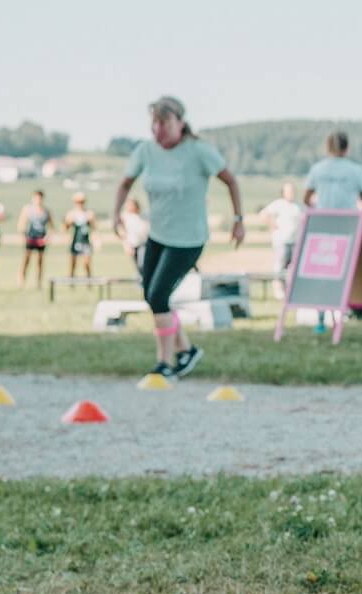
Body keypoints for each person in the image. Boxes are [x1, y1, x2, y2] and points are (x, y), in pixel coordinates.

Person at [110, 95, 242, 380]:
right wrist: (116, 213)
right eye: (154, 123)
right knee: (153, 296)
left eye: (164, 123)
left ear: (180, 123)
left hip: (189, 239)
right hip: (158, 235)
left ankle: (165, 363)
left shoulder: (198, 152)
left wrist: (238, 220)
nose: (158, 129)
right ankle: (188, 351)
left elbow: (231, 181)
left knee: (158, 295)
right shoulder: (146, 151)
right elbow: (125, 183)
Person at [260, 183, 305, 284]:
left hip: (295, 240)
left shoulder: (299, 206)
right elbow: (264, 214)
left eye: (292, 192)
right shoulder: (278, 204)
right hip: (281, 240)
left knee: (293, 266)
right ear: (283, 193)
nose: (291, 194)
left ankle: (289, 287)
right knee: (280, 264)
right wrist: (272, 224)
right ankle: (278, 287)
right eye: (288, 192)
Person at [15, 190, 52, 287]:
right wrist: (23, 235)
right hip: (30, 237)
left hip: (41, 238)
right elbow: (21, 224)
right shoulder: (27, 209)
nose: (38, 200)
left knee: (40, 261)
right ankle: (21, 280)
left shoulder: (46, 211)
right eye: (36, 198)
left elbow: (51, 227)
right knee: (26, 259)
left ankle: (38, 282)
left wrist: (47, 238)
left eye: (40, 198)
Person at [62, 193, 96, 279]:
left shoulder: (89, 213)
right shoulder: (71, 214)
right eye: (78, 202)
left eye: (82, 202)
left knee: (87, 263)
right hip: (75, 241)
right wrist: (68, 222)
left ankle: (89, 281)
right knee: (73, 264)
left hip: (86, 242)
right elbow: (65, 228)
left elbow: (94, 228)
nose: (80, 204)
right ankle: (71, 281)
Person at [118, 197, 149, 274]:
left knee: (142, 264)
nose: (129, 207)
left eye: (131, 205)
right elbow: (122, 232)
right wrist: (126, 245)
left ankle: (144, 280)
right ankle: (141, 281)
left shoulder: (144, 215)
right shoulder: (125, 216)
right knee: (137, 266)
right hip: (132, 244)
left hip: (144, 244)